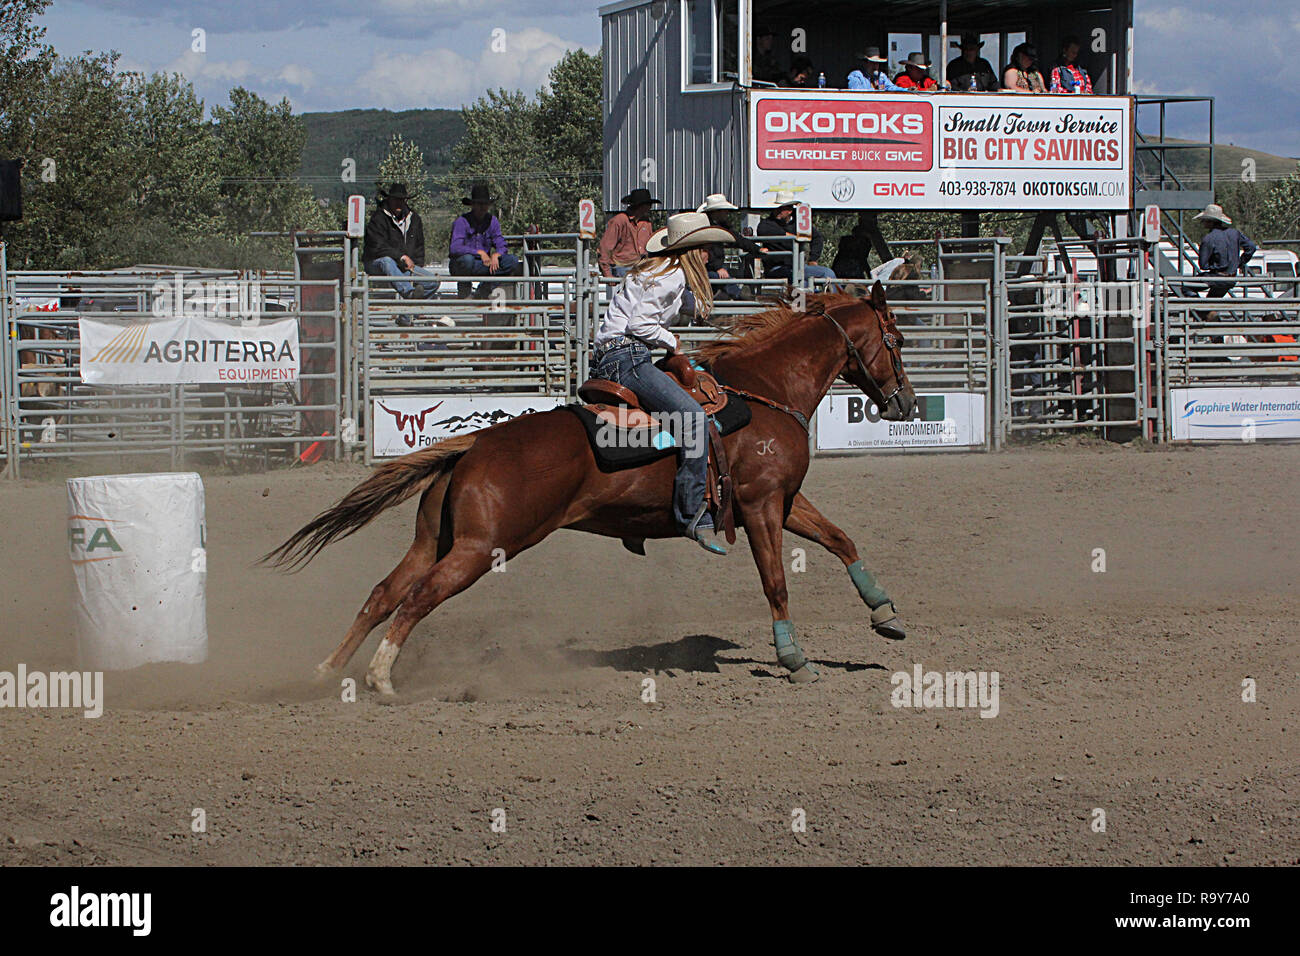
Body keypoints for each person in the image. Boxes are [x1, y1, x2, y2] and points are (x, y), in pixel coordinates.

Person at [589, 212, 734, 554]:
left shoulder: (663, 273)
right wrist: (671, 341)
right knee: (694, 420)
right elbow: (641, 324)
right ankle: (690, 513)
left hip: (615, 356)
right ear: (692, 250)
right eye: (704, 249)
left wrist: (700, 307)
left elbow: (682, 305)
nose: (709, 255)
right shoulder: (671, 276)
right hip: (628, 357)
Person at [363, 183, 439, 300]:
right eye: (395, 199)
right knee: (387, 261)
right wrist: (401, 257)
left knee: (433, 282)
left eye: (401, 199)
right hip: (376, 263)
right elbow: (377, 246)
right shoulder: (378, 218)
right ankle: (409, 294)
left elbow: (419, 247)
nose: (399, 203)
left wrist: (416, 266)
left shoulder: (414, 219)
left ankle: (408, 313)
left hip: (403, 266)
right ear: (389, 199)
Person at [448, 182, 523, 299]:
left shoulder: (492, 221)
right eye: (479, 204)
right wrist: (479, 252)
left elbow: (501, 243)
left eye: (485, 204)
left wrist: (497, 255)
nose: (482, 207)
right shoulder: (461, 221)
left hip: (484, 263)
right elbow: (455, 248)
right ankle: (464, 292)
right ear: (472, 205)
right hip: (462, 265)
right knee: (467, 259)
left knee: (512, 261)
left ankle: (484, 289)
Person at [757, 192, 836, 283]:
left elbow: (817, 237)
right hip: (776, 268)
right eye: (777, 208)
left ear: (790, 210)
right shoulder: (767, 223)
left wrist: (813, 259)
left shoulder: (799, 223)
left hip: (798, 266)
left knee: (828, 273)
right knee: (803, 282)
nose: (777, 211)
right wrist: (790, 236)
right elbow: (762, 230)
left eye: (781, 209)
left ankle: (838, 296)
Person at [698, 193, 761, 301]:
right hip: (707, 268)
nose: (727, 213)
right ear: (716, 212)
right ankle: (739, 295)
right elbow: (707, 250)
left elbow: (737, 239)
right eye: (724, 210)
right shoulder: (705, 228)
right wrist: (718, 267)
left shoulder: (720, 226)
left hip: (713, 267)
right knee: (718, 277)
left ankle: (736, 296)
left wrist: (756, 248)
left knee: (720, 280)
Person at [1195, 203, 1257, 300]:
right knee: (1212, 301)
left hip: (1216, 277)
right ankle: (1207, 313)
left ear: (1210, 222)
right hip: (1231, 277)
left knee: (1186, 287)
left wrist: (1213, 265)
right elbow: (1251, 247)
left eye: (1204, 220)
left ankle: (1197, 307)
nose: (1203, 223)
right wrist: (1239, 263)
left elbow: (1203, 265)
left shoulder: (1208, 238)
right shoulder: (1235, 233)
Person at [598, 188, 659, 278]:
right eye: (648, 204)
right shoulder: (619, 221)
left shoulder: (646, 223)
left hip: (642, 267)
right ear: (641, 206)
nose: (650, 207)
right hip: (622, 267)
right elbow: (605, 247)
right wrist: (607, 274)